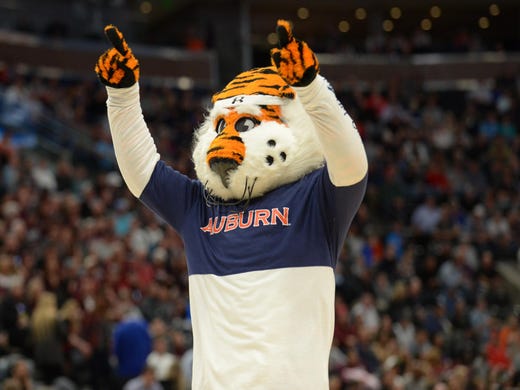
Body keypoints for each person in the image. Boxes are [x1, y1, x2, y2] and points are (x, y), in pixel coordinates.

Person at [95, 19, 367, 389]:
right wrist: (122, 97)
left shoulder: (314, 198)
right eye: (223, 127)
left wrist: (311, 88)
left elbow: (352, 164)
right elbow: (141, 171)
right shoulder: (200, 206)